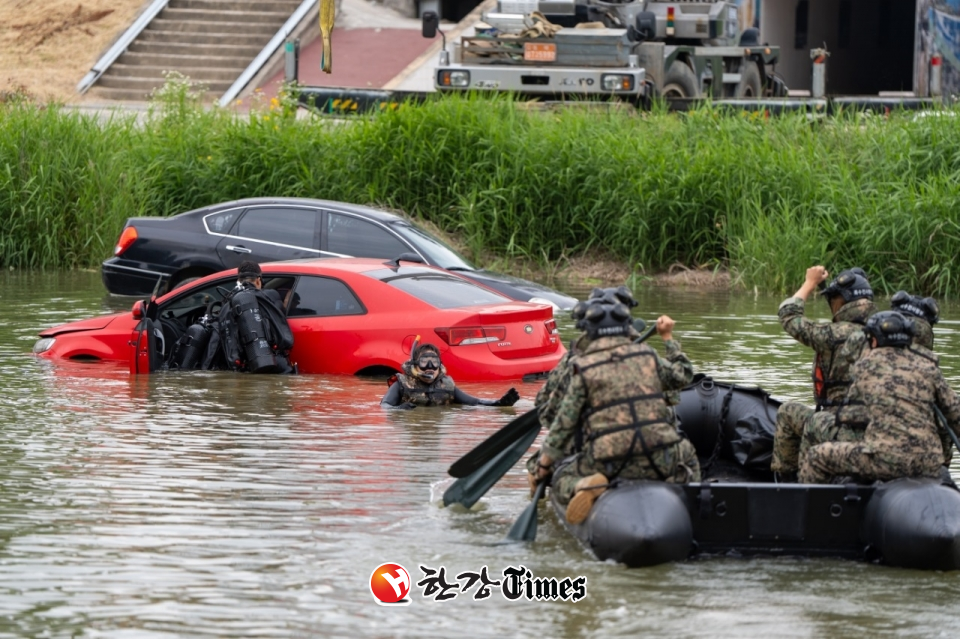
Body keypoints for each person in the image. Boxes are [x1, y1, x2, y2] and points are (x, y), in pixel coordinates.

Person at [533, 302, 699, 525]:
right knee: (688, 453)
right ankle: (687, 500)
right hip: (658, 456)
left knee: (560, 473)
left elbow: (558, 423)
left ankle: (583, 485)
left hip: (608, 461)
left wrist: (541, 467)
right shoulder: (648, 357)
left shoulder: (582, 367)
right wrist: (668, 339)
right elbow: (682, 377)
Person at [800, 311, 960, 484]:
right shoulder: (928, 367)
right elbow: (955, 414)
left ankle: (806, 507)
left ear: (874, 340)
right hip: (930, 463)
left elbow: (849, 416)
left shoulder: (865, 366)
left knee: (817, 456)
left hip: (885, 461)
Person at [771, 266, 877, 479]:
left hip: (838, 425)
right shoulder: (883, 334)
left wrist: (809, 283)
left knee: (788, 411)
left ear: (842, 302)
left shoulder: (832, 334)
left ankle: (789, 483)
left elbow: (788, 314)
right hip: (878, 428)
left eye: (834, 300)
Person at [201, 260, 295, 374]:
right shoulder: (271, 295)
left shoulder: (227, 304)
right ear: (259, 280)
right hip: (275, 362)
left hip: (246, 367)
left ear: (238, 281)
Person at [381, 343, 520, 408]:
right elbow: (384, 405)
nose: (430, 367)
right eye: (424, 362)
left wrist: (498, 404)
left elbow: (475, 402)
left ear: (439, 365)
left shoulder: (446, 386)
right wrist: (398, 410)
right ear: (415, 365)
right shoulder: (401, 384)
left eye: (434, 362)